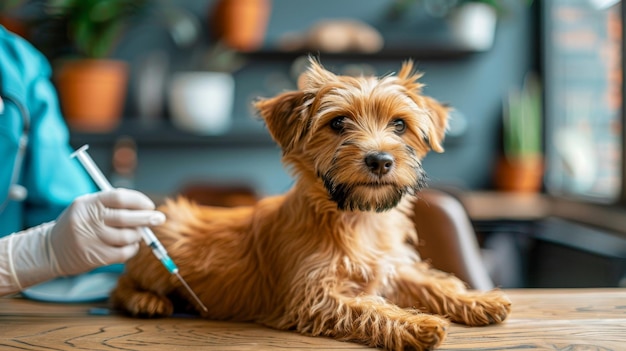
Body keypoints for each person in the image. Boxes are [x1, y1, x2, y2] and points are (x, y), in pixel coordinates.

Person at [0, 25, 165, 297]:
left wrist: (109, 237)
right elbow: (53, 248)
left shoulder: (15, 62)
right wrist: (35, 254)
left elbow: (69, 217)